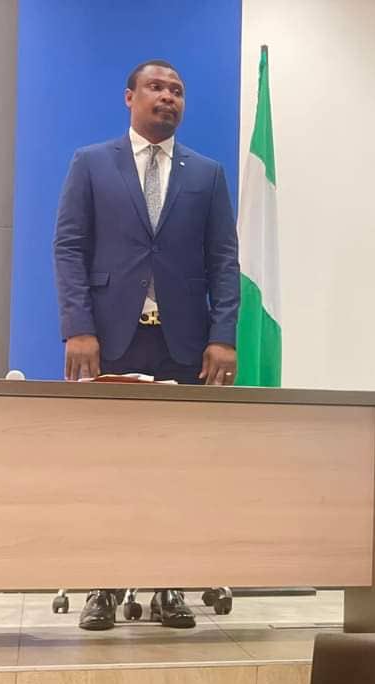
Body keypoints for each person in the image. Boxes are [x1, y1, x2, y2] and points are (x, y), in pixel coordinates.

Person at [53, 59, 240, 631]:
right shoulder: (91, 163)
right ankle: (103, 586)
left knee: (177, 468)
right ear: (129, 97)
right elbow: (69, 248)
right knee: (110, 466)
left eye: (177, 91)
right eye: (156, 87)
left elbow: (224, 261)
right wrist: (78, 327)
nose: (168, 97)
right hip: (110, 339)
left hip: (183, 344)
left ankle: (168, 585)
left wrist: (223, 336)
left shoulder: (206, 174)